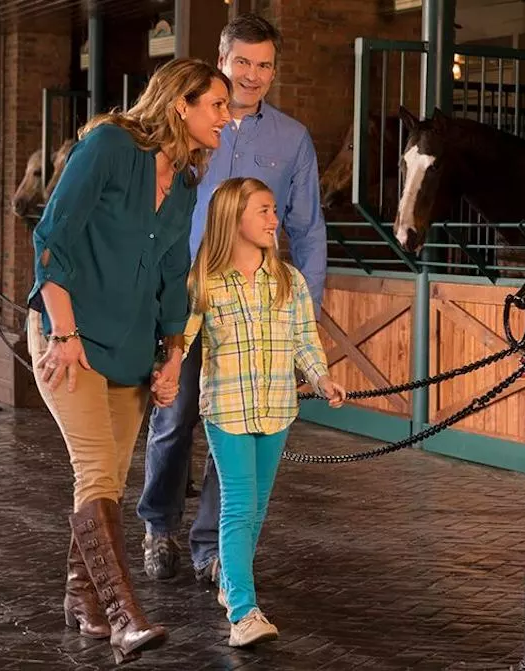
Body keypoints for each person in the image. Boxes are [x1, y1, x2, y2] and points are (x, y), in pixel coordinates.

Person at [26, 58, 231, 664]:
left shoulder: (188, 183)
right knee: (95, 472)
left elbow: (172, 272)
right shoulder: (109, 147)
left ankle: (80, 598)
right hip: (74, 338)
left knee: (107, 481)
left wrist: (171, 355)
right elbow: (50, 240)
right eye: (216, 104)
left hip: (134, 348)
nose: (227, 116)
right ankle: (124, 617)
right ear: (179, 106)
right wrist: (62, 333)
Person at [138, 13, 327, 584]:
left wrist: (303, 318)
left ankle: (211, 547)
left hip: (255, 308)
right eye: (242, 62)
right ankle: (158, 528)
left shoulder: (291, 139)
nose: (252, 75)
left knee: (240, 426)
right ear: (221, 60)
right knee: (174, 419)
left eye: (264, 64)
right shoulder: (188, 127)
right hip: (184, 298)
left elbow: (308, 229)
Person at [184, 176, 345, 646]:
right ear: (234, 218)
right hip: (227, 409)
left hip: (277, 408)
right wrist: (166, 371)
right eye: (264, 210)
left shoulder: (288, 281)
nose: (275, 219)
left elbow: (304, 342)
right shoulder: (205, 282)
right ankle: (243, 612)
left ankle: (232, 583)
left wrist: (321, 378)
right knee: (237, 505)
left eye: (275, 210)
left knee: (257, 507)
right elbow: (183, 338)